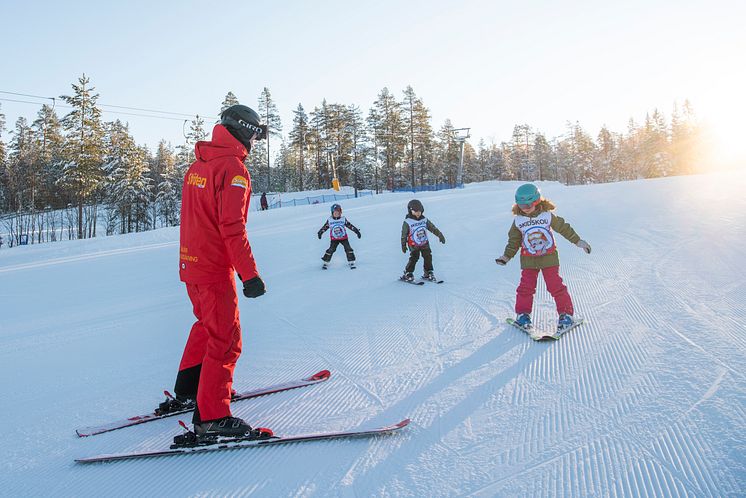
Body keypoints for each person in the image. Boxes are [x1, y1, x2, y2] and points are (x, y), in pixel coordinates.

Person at [160, 104, 268, 440]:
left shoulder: (200, 163)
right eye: (253, 132)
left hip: (191, 264)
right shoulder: (233, 169)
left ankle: (189, 391)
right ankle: (211, 416)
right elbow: (231, 226)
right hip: (212, 267)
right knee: (225, 338)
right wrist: (249, 274)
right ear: (240, 130)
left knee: (207, 327)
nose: (255, 138)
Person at [495, 183, 591, 332]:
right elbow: (513, 241)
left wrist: (578, 241)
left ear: (536, 201)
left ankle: (566, 315)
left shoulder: (546, 216)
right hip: (528, 260)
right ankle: (523, 315)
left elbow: (564, 228)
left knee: (555, 286)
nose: (524, 208)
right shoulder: (518, 221)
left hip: (549, 258)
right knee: (525, 288)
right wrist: (506, 256)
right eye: (521, 205)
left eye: (528, 204)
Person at [400, 199, 445, 282]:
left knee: (428, 256)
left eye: (419, 211)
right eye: (415, 211)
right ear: (410, 211)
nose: (418, 213)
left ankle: (428, 272)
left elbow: (432, 228)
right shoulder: (407, 222)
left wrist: (440, 235)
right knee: (414, 257)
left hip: (424, 243)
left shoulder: (424, 220)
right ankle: (408, 273)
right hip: (413, 244)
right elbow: (404, 235)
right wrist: (403, 245)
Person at [317, 203, 361, 269]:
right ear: (332, 213)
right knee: (331, 249)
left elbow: (350, 225)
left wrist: (356, 231)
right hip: (334, 239)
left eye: (338, 212)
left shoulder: (343, 219)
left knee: (348, 248)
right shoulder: (330, 220)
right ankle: (326, 262)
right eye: (335, 212)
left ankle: (351, 261)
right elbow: (325, 227)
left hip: (344, 238)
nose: (337, 214)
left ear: (340, 212)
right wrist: (320, 232)